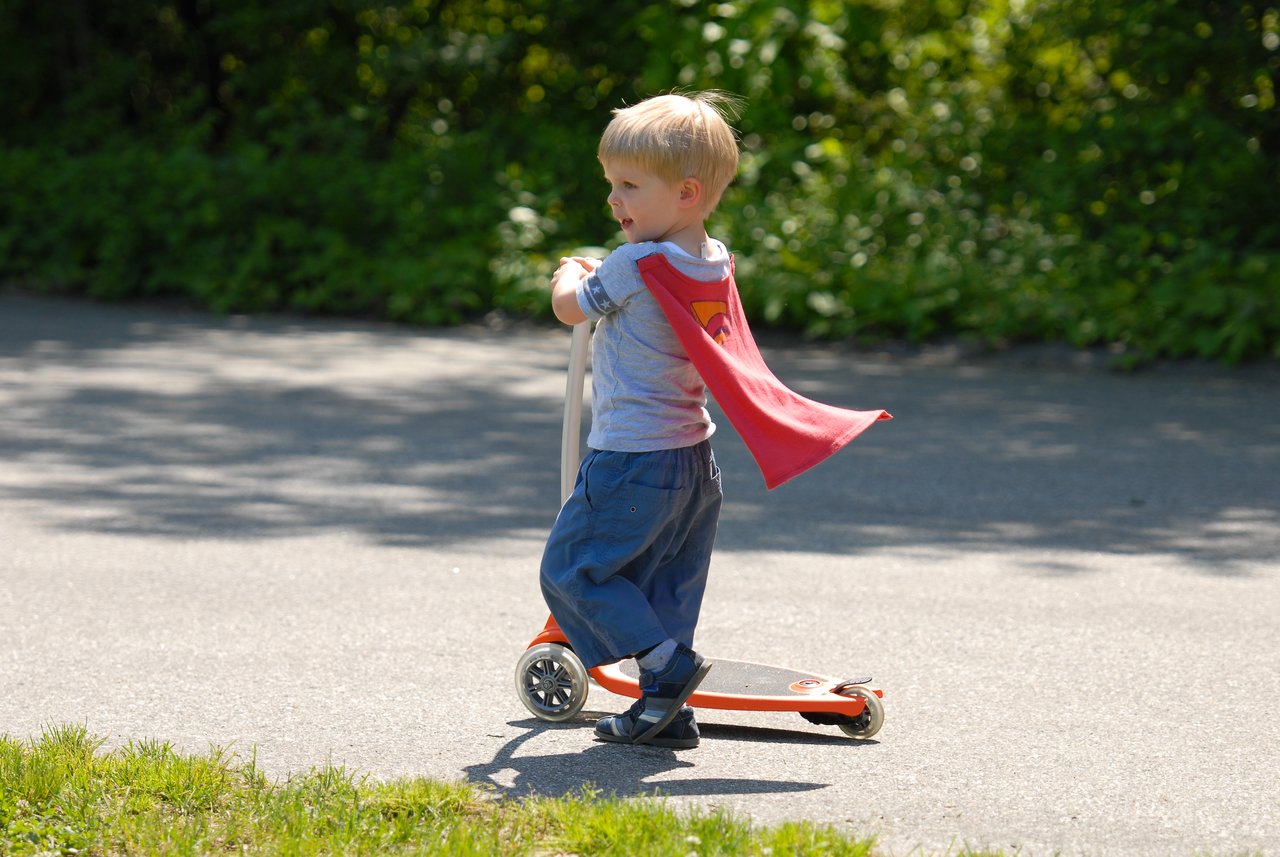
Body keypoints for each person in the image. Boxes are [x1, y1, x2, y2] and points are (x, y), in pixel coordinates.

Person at [539, 91, 742, 749]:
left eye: (628, 185)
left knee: (573, 570)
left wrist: (567, 272)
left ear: (686, 192)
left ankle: (666, 667)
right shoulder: (713, 259)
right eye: (611, 184)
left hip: (632, 457)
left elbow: (574, 307)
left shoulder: (632, 263)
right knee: (663, 588)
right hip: (694, 460)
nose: (613, 199)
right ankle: (665, 707)